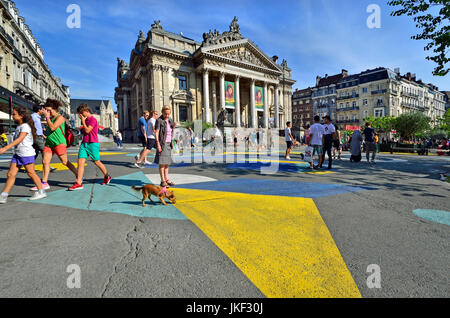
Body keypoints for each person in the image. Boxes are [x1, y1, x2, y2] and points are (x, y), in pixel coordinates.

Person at [0, 107, 47, 203]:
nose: (12, 116)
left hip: (26, 154)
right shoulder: (19, 126)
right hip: (18, 153)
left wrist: (5, 148)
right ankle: (3, 195)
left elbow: (19, 139)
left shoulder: (25, 126)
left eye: (14, 114)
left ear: (21, 116)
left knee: (31, 173)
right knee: (10, 174)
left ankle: (41, 191)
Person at [33, 99, 78, 191]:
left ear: (55, 109)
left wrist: (47, 118)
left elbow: (53, 128)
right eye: (47, 110)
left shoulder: (60, 117)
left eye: (49, 110)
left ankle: (78, 175)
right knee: (45, 162)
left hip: (59, 143)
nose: (48, 112)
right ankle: (44, 183)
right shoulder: (49, 118)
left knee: (65, 162)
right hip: (49, 143)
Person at [69, 104, 111, 190]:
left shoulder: (93, 119)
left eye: (81, 113)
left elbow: (88, 130)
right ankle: (79, 183)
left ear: (87, 111)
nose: (80, 115)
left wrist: (83, 121)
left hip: (92, 143)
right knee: (80, 162)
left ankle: (107, 176)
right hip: (84, 143)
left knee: (97, 162)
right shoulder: (85, 119)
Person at [154, 106, 177, 187]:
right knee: (162, 163)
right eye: (165, 114)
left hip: (169, 144)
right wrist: (158, 144)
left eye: (168, 114)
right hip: (162, 144)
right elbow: (156, 132)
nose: (167, 115)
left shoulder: (170, 120)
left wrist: (173, 126)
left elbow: (171, 132)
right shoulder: (159, 120)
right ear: (162, 112)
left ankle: (167, 179)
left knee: (167, 163)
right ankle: (162, 181)